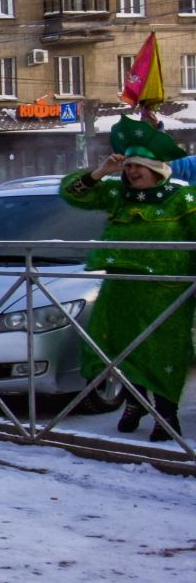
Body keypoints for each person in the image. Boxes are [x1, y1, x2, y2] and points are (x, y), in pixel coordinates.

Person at [61, 117, 196, 441]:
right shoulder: (118, 195)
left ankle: (166, 415)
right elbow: (73, 194)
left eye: (139, 167)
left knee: (165, 354)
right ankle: (134, 404)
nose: (132, 172)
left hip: (168, 294)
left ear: (157, 169)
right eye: (129, 167)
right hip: (122, 289)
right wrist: (101, 171)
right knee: (124, 351)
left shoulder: (183, 199)